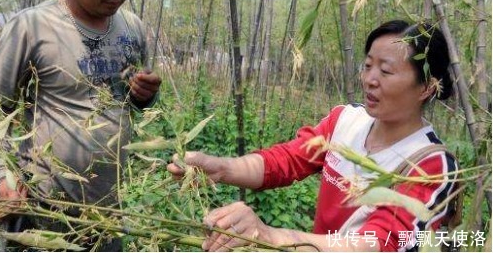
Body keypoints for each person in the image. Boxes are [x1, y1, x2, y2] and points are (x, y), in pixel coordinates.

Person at [168, 20, 459, 252]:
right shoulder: (345, 121)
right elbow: (286, 160)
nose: (370, 79)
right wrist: (221, 168)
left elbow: (376, 244)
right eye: (368, 65)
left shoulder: (431, 165)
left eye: (385, 71)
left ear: (427, 87)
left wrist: (270, 236)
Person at [0, 0, 161, 251]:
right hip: (41, 215)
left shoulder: (133, 28)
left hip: (105, 214)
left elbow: (125, 101)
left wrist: (144, 96)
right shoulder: (33, 27)